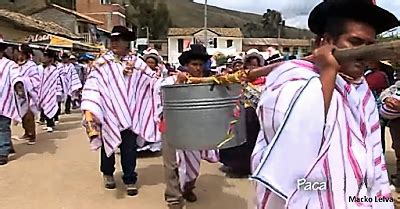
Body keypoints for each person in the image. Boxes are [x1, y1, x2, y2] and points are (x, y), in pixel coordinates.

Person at [250, 0, 398, 208]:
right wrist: (329, 71)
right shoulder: (290, 78)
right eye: (355, 43)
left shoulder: (360, 89)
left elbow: (374, 163)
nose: (365, 53)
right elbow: (298, 141)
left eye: (370, 46)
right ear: (325, 43)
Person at [81, 26, 159, 196]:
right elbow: (92, 84)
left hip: (131, 114)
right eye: (113, 40)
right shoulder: (102, 63)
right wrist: (91, 106)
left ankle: (130, 179)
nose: (114, 43)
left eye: (118, 40)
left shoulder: (137, 63)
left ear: (126, 42)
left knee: (129, 149)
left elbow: (152, 81)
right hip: (109, 113)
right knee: (108, 144)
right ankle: (108, 173)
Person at [160, 44, 219, 209]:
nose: (198, 68)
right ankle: (173, 198)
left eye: (200, 65)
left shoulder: (205, 83)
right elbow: (160, 99)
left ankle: (188, 188)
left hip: (195, 129)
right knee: (172, 164)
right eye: (194, 64)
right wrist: (177, 85)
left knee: (194, 162)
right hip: (170, 128)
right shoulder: (170, 80)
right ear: (186, 65)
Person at [219, 50, 264, 178]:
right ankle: (237, 166)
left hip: (256, 119)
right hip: (241, 117)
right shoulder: (239, 81)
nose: (253, 68)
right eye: (250, 65)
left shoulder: (266, 82)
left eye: (256, 65)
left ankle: (253, 166)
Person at [0, 41, 25, 165]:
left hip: (5, 99)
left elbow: (16, 76)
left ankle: (3, 153)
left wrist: (18, 86)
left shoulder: (10, 64)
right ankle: (7, 144)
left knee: (3, 126)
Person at [17, 44, 40, 145]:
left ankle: (32, 135)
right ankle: (26, 132)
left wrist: (23, 81)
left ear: (25, 54)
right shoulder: (16, 65)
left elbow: (36, 79)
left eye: (20, 53)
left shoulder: (31, 66)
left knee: (29, 116)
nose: (19, 55)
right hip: (19, 94)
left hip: (29, 94)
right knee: (22, 114)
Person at [38, 50, 60, 133]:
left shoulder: (54, 70)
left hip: (51, 92)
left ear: (50, 59)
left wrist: (58, 92)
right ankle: (47, 122)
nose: (43, 58)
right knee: (43, 107)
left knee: (50, 105)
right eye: (43, 56)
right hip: (41, 91)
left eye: (46, 57)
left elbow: (57, 82)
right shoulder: (39, 68)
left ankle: (50, 124)